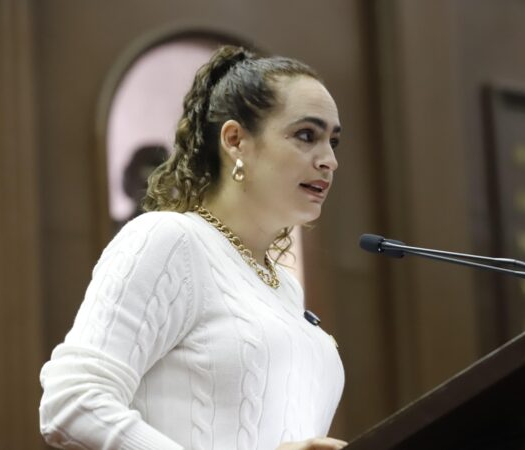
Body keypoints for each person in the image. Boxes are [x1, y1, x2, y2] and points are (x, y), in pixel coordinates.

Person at [39, 46, 346, 450]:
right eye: (306, 135)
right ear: (236, 141)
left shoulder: (284, 288)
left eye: (333, 142)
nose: (329, 161)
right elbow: (72, 403)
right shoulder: (169, 240)